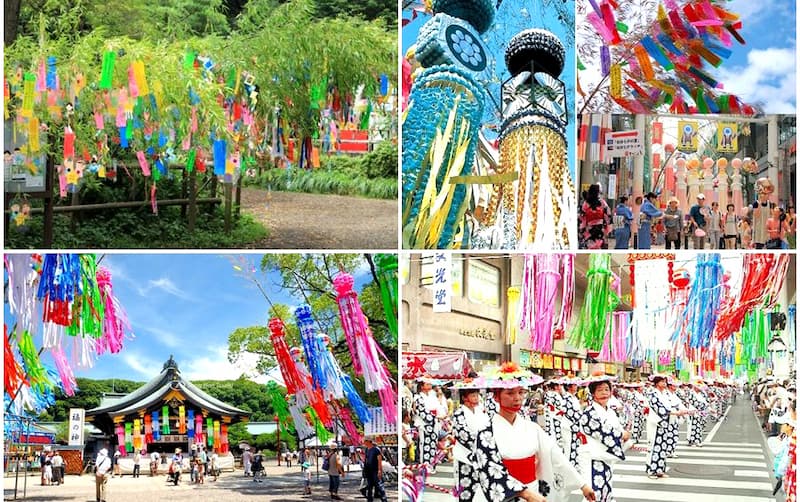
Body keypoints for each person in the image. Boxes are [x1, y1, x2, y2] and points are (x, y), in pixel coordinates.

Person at [473, 363, 596, 501]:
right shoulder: (485, 434)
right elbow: (489, 471)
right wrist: (525, 494)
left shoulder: (532, 428)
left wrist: (582, 484)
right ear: (496, 396)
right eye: (510, 393)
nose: (517, 398)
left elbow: (555, 455)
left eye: (521, 392)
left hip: (532, 489)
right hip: (506, 495)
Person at [578, 375, 632, 502]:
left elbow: (617, 427)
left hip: (605, 457)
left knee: (606, 489)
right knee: (594, 492)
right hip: (594, 458)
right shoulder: (589, 413)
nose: (604, 393)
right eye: (600, 390)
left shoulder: (610, 411)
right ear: (593, 393)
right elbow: (603, 432)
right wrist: (621, 435)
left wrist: (624, 433)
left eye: (606, 389)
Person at [451, 382, 489, 501]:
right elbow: (463, 434)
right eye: (473, 395)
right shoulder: (459, 413)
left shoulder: (480, 411)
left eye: (477, 395)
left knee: (480, 489)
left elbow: (487, 428)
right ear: (464, 397)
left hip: (480, 456)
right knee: (465, 489)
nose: (476, 398)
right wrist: (481, 443)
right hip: (465, 455)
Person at [645, 375, 689, 479]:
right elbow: (659, 408)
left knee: (662, 447)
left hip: (666, 422)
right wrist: (675, 412)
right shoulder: (652, 393)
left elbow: (673, 404)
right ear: (656, 383)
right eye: (662, 382)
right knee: (654, 446)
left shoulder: (665, 394)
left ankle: (660, 470)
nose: (664, 384)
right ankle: (651, 470)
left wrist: (681, 411)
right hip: (656, 422)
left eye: (665, 382)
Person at [578, 183, 612, 249]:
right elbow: (608, 216)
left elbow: (582, 219)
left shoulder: (586, 203)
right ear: (598, 192)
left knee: (589, 247)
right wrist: (606, 229)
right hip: (600, 230)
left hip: (589, 230)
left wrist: (582, 231)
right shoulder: (602, 202)